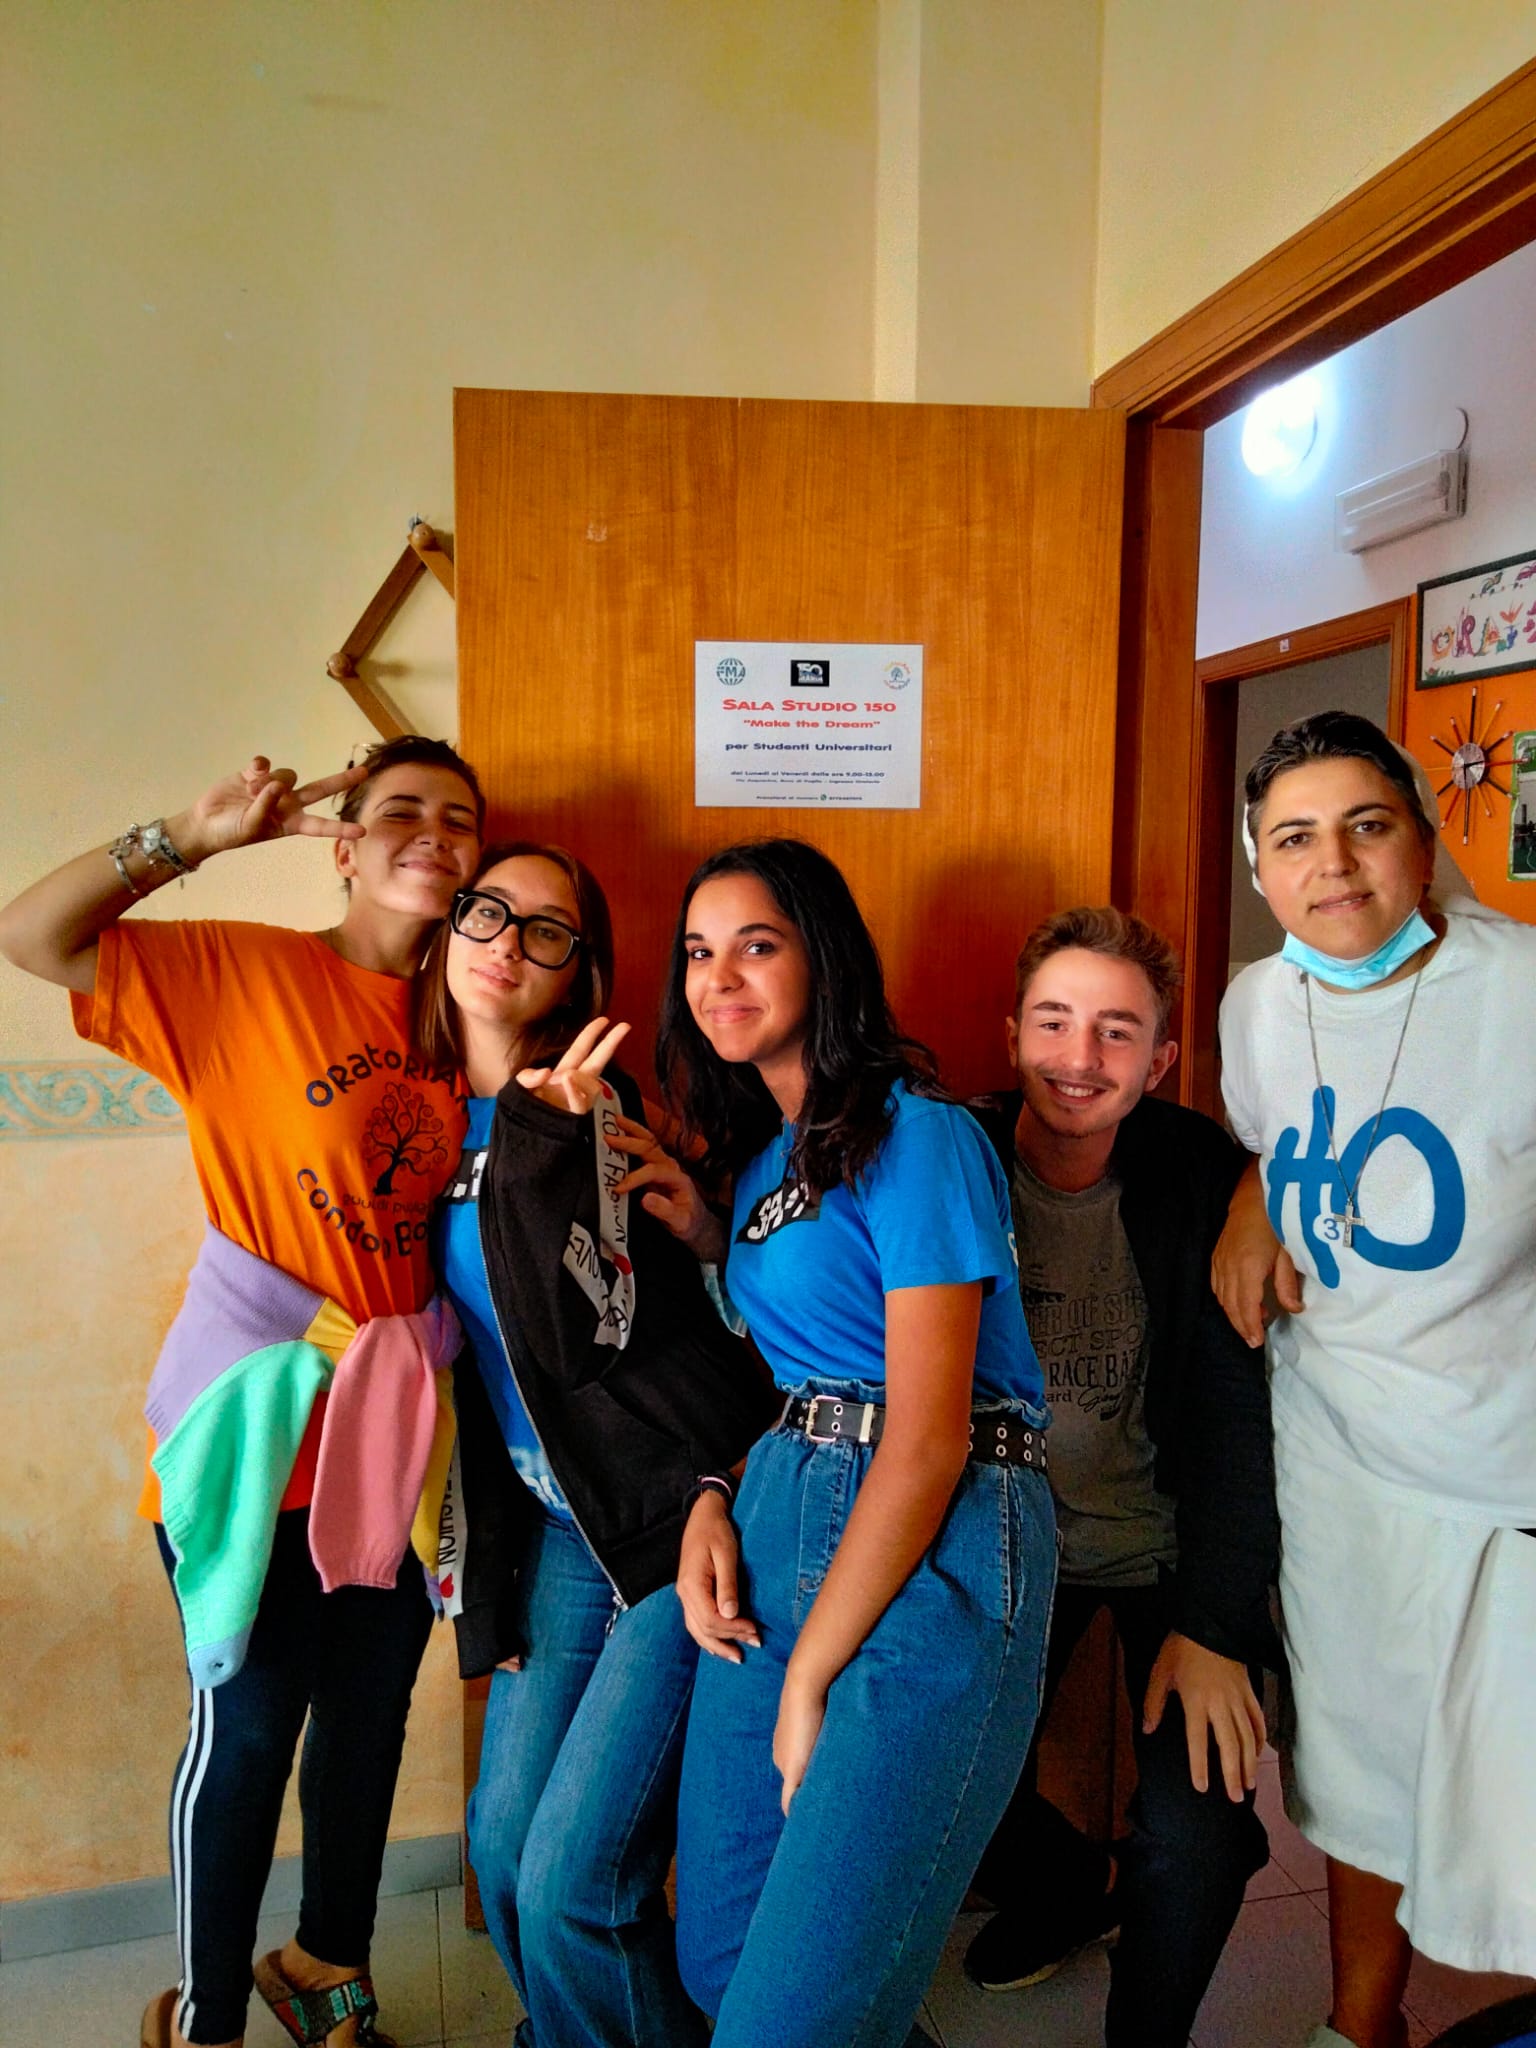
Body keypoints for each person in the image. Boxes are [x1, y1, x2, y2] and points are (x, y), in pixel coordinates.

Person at [0, 738, 484, 2048]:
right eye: (400, 809)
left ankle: (327, 1968)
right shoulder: (247, 974)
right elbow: (32, 935)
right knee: (251, 1724)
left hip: (399, 1432)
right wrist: (190, 836)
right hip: (254, 1425)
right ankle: (206, 2016)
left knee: (368, 1723)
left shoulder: (469, 1021)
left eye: (458, 818)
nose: (432, 831)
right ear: (345, 844)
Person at [646, 837, 1056, 2048]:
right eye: (698, 951)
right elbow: (804, 1343)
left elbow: (926, 1435)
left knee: (788, 2018)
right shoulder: (764, 1160)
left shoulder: (917, 1134)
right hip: (785, 1505)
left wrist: (810, 1671)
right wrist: (709, 1238)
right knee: (722, 1955)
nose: (719, 975)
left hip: (937, 1524)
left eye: (756, 944)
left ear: (823, 960)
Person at [1212, 711, 1536, 2048]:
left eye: (1367, 825)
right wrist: (1251, 1198)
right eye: (1294, 838)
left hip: (1501, 1467)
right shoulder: (1254, 1005)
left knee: (1510, 1789)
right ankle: (1361, 2024)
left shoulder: (1520, 993)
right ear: (1258, 866)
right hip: (1336, 1453)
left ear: (1425, 831)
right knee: (1359, 1766)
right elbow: (1280, 1138)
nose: (1333, 866)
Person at [418, 840, 776, 2048]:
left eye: (548, 929)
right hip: (557, 1527)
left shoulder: (596, 1115)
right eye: (488, 912)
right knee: (502, 1850)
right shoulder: (418, 1116)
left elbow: (589, 1341)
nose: (506, 944)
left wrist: (552, 1143)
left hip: (679, 1517)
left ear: (580, 970)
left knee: (576, 1879)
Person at [959, 906, 1277, 2047]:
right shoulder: (954, 1160)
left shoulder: (1202, 1176)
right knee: (935, 1780)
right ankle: (1068, 1891)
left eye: (1116, 1031)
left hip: (1164, 1553)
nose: (1079, 1057)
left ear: (1161, 1059)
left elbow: (1240, 1426)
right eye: (1053, 1021)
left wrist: (1218, 1624)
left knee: (1199, 1830)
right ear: (1011, 1034)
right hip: (1002, 1548)